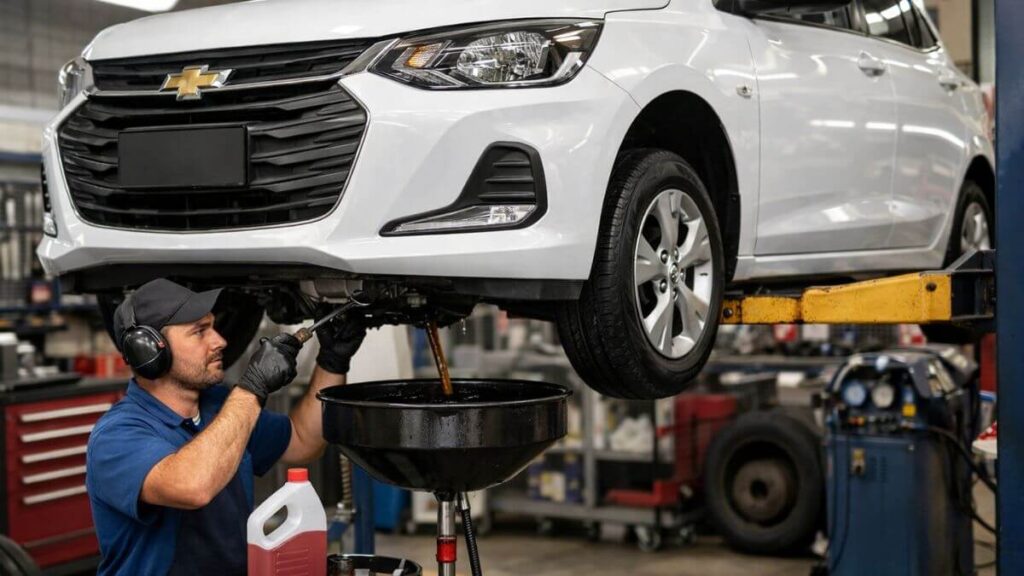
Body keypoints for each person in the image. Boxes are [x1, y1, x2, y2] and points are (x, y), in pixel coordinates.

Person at [85, 278, 366, 575]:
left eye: (213, 326)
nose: (220, 340)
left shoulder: (219, 406)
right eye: (199, 332)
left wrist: (333, 361)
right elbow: (192, 487)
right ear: (149, 351)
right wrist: (252, 388)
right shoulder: (117, 435)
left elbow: (302, 442)